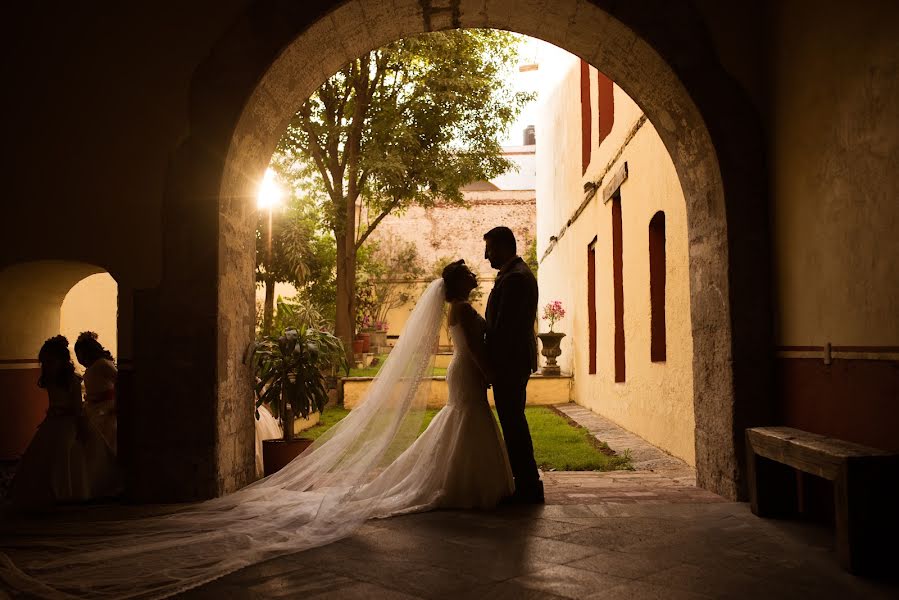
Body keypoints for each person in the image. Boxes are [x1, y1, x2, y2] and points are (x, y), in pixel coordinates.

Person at [0, 274, 512, 598]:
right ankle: (464, 483)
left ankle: (459, 481)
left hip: (461, 379)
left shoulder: (455, 311)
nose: (475, 272)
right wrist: (493, 371)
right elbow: (480, 354)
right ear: (463, 287)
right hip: (468, 377)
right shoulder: (464, 312)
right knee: (466, 422)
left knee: (461, 423)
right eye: (471, 272)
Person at [9, 336, 117, 508]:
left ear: (61, 360)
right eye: (45, 363)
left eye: (50, 361)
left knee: (67, 454)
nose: (47, 366)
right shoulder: (52, 381)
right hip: (53, 422)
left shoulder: (73, 381)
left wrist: (81, 427)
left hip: (69, 423)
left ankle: (70, 491)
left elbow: (77, 408)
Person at [483, 225, 543, 503]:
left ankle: (528, 485)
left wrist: (490, 366)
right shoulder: (513, 274)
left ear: (505, 247)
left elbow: (505, 330)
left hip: (510, 362)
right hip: (514, 361)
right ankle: (525, 482)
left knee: (514, 422)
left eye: (490, 248)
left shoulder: (515, 279)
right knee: (513, 420)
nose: (486, 256)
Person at [74, 331, 117, 454]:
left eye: (80, 354)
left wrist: (116, 406)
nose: (79, 358)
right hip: (94, 409)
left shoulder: (102, 364)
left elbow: (119, 380)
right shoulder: (94, 366)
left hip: (105, 411)